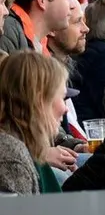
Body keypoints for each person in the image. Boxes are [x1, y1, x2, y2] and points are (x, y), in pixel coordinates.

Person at [0, 52, 70, 194]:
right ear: (39, 101)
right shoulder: (12, 159)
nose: (65, 108)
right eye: (62, 97)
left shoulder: (21, 147)